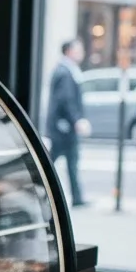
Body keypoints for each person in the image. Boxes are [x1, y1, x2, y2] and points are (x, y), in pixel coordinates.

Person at [46, 38, 91, 207]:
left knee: (69, 161)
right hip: (63, 128)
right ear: (69, 51)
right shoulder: (65, 71)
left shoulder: (67, 70)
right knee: (51, 162)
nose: (81, 53)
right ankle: (37, 188)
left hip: (63, 127)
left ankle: (77, 197)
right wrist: (77, 120)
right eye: (78, 49)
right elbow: (66, 100)